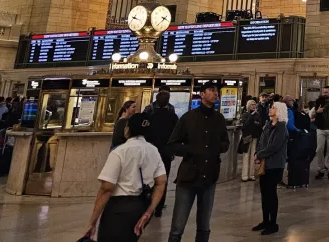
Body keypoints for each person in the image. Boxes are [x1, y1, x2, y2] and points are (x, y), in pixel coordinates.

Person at [83, 112, 167, 242]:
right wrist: (149, 212)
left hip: (119, 209)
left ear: (128, 129)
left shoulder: (119, 152)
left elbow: (107, 188)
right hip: (141, 206)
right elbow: (161, 182)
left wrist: (92, 222)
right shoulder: (153, 150)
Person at [166, 82, 230, 242]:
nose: (216, 94)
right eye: (211, 90)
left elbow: (225, 143)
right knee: (177, 226)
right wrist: (192, 149)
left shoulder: (219, 119)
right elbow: (173, 144)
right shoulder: (188, 118)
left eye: (217, 91)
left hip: (209, 176)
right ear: (202, 94)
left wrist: (217, 148)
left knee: (204, 225)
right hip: (189, 176)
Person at [251, 101, 288, 235]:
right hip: (265, 163)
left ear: (279, 111)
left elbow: (275, 146)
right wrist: (258, 153)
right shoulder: (267, 125)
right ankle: (265, 220)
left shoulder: (281, 127)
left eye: (273, 108)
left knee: (271, 193)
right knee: (264, 193)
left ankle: (273, 223)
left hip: (275, 164)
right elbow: (261, 141)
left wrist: (260, 154)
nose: (270, 109)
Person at [143, 90, 178, 216]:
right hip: (166, 152)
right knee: (163, 179)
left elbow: (144, 131)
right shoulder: (172, 115)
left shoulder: (149, 113)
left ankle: (148, 204)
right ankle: (158, 207)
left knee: (149, 177)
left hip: (151, 151)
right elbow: (176, 134)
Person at [238, 99, 262, 182]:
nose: (254, 106)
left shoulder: (257, 114)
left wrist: (254, 122)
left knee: (253, 156)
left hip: (255, 136)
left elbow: (259, 124)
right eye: (252, 104)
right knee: (246, 156)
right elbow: (244, 125)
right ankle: (244, 175)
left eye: (255, 104)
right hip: (247, 137)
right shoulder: (245, 114)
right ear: (248, 105)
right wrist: (252, 117)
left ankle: (251, 174)